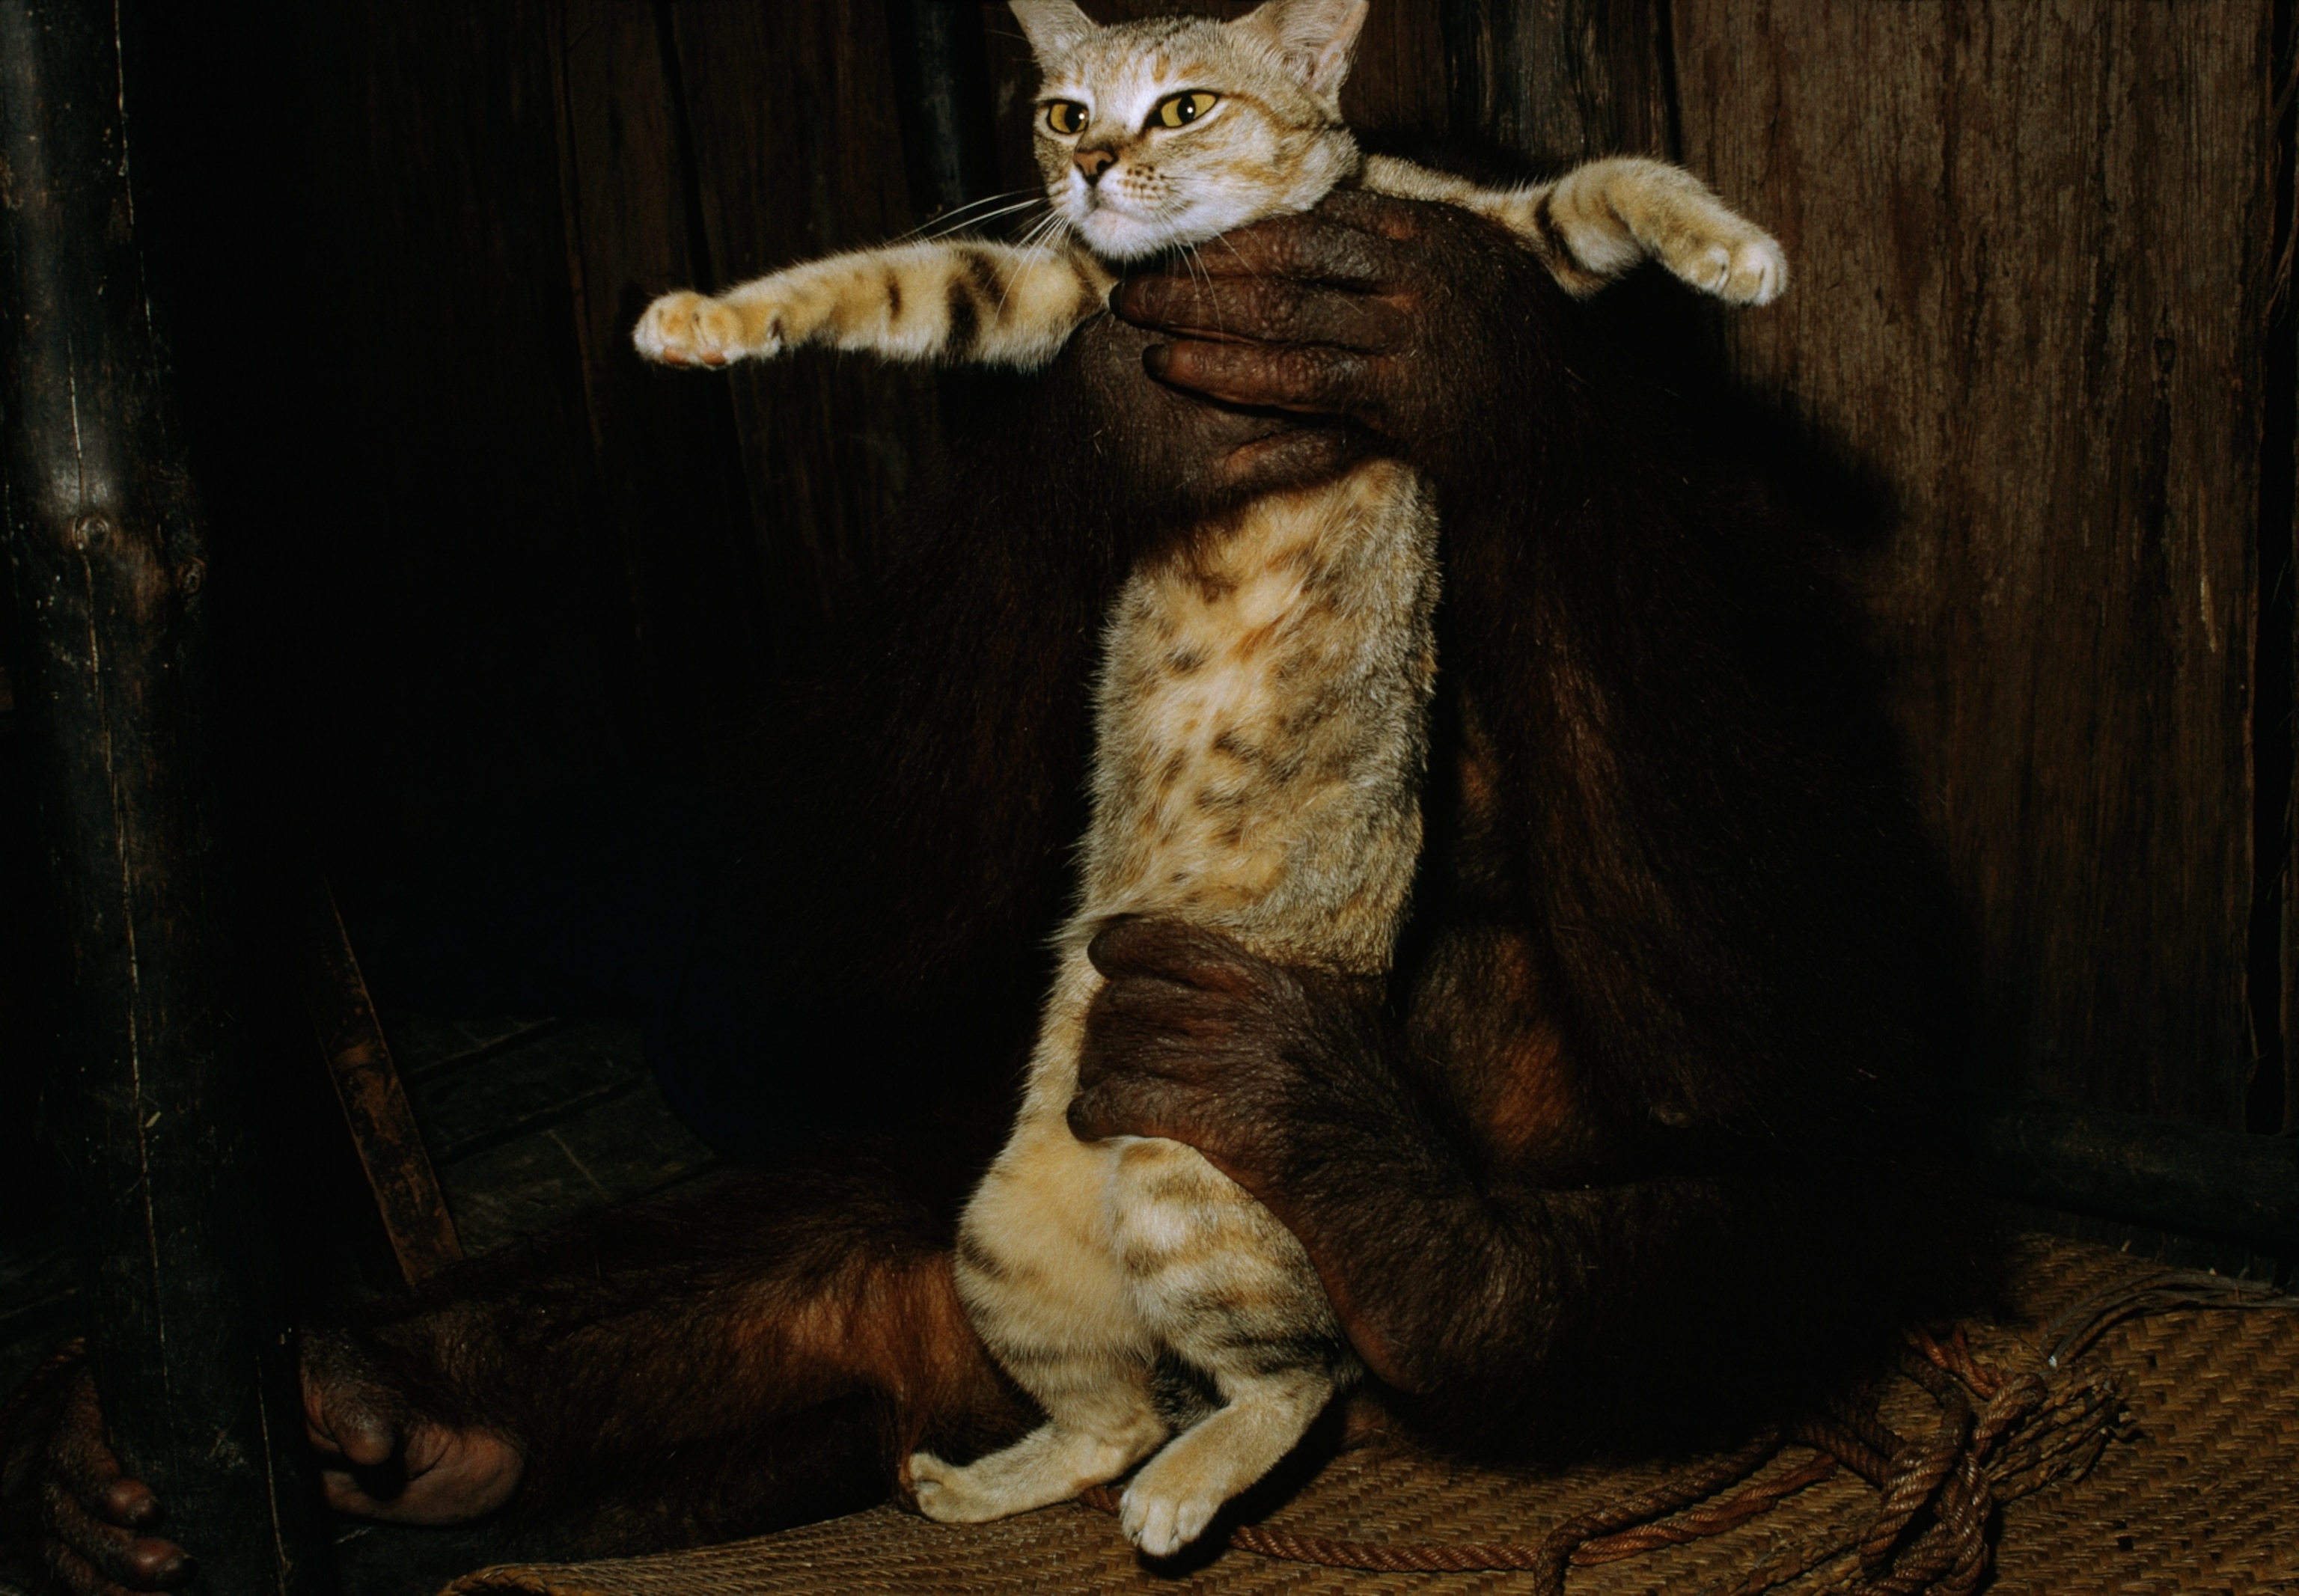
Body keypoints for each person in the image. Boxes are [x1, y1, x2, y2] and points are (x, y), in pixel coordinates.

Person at [6, 189, 1976, 1596]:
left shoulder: (1637, 569)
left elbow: (1777, 1095)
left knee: (1753, 1203)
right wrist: (1065, 498)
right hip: (1094, 1148)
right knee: (856, 1175)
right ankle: (454, 1400)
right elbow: (842, 945)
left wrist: (1536, 471)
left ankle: (1449, 1275)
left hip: (1548, 1202)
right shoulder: (1144, 556)